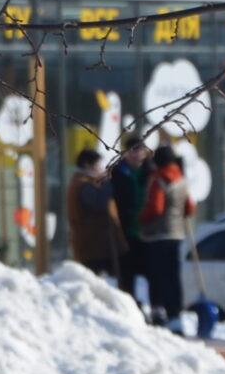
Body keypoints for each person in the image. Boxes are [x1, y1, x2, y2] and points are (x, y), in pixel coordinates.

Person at [139, 148, 195, 325]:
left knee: (158, 276)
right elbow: (190, 208)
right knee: (173, 276)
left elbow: (156, 208)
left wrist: (141, 218)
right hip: (177, 234)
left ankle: (160, 311)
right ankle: (175, 313)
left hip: (158, 234)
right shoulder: (182, 180)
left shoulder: (158, 180)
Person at [63, 146, 125, 284]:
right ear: (87, 165)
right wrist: (108, 183)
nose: (101, 169)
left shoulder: (85, 183)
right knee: (97, 284)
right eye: (98, 164)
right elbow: (99, 203)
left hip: (94, 247)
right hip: (93, 249)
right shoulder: (83, 185)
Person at [110, 134, 151, 303]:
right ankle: (129, 302)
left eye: (139, 150)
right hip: (126, 229)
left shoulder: (150, 171)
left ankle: (152, 304)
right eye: (132, 150)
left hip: (148, 229)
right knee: (127, 270)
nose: (136, 154)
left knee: (150, 270)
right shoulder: (118, 172)